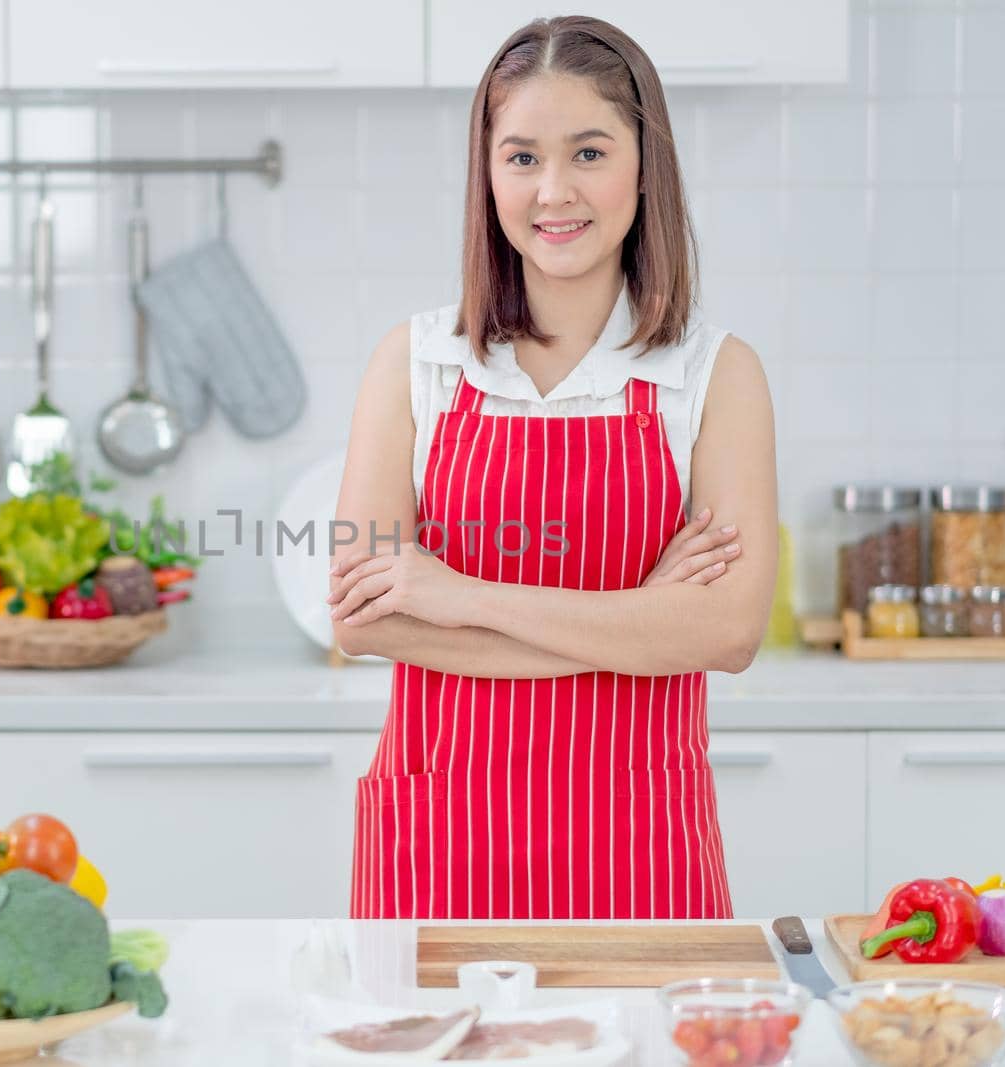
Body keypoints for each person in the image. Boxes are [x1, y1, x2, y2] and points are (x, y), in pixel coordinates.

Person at [328, 15, 778, 921]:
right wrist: (646, 623)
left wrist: (459, 594)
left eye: (589, 152)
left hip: (639, 849)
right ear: (486, 171)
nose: (554, 190)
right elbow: (359, 619)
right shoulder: (412, 362)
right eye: (522, 157)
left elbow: (726, 632)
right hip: (438, 847)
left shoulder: (714, 375)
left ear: (644, 166)